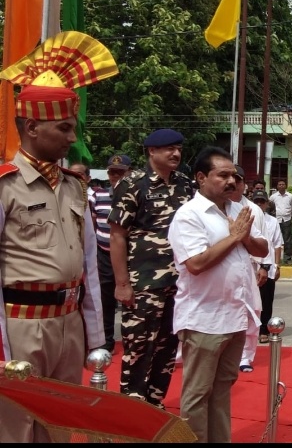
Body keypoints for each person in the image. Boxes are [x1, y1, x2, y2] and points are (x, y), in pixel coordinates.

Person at [0, 31, 117, 442]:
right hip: (19, 327)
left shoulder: (74, 186)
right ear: (32, 127)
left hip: (67, 324)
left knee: (62, 423)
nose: (72, 138)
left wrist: (95, 336)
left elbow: (87, 265)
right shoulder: (4, 186)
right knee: (16, 426)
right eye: (64, 127)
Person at [168, 146, 268, 443]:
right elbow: (196, 263)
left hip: (235, 315)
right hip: (204, 319)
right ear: (200, 177)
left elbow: (262, 249)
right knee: (197, 395)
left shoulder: (238, 210)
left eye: (234, 175)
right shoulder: (189, 215)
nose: (231, 181)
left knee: (222, 389)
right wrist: (234, 237)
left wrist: (244, 236)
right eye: (222, 175)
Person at [108, 127, 194, 408]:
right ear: (151, 151)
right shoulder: (133, 184)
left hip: (179, 284)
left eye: (178, 148)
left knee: (168, 349)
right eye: (169, 148)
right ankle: (131, 410)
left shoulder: (185, 183)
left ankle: (155, 405)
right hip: (143, 284)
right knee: (138, 348)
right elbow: (118, 235)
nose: (176, 153)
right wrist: (122, 284)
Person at [92, 154, 133, 353]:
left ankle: (131, 341)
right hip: (104, 256)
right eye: (112, 172)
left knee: (130, 301)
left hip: (129, 257)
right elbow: (90, 224)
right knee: (105, 301)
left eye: (120, 172)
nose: (116, 176)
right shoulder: (97, 196)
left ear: (129, 173)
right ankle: (107, 342)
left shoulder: (136, 197)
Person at [228, 165, 267, 373]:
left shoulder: (253, 210)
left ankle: (245, 356)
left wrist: (264, 266)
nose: (234, 183)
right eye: (229, 178)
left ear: (244, 184)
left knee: (252, 312)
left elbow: (264, 240)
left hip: (250, 266)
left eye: (238, 179)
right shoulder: (217, 206)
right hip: (223, 269)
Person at [248, 189, 283, 348]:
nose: (259, 204)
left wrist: (276, 265)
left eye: (262, 201)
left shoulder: (272, 221)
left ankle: (264, 331)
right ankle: (248, 332)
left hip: (267, 265)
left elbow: (276, 244)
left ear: (267, 203)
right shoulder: (247, 218)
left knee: (266, 301)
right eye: (257, 201)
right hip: (250, 266)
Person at [270, 179, 292, 263]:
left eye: (283, 184)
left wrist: (289, 215)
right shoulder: (273, 197)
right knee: (274, 238)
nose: (281, 186)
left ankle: (287, 258)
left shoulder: (290, 196)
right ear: (277, 186)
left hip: (286, 219)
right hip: (276, 220)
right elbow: (270, 207)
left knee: (287, 239)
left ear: (285, 186)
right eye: (279, 184)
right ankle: (274, 257)